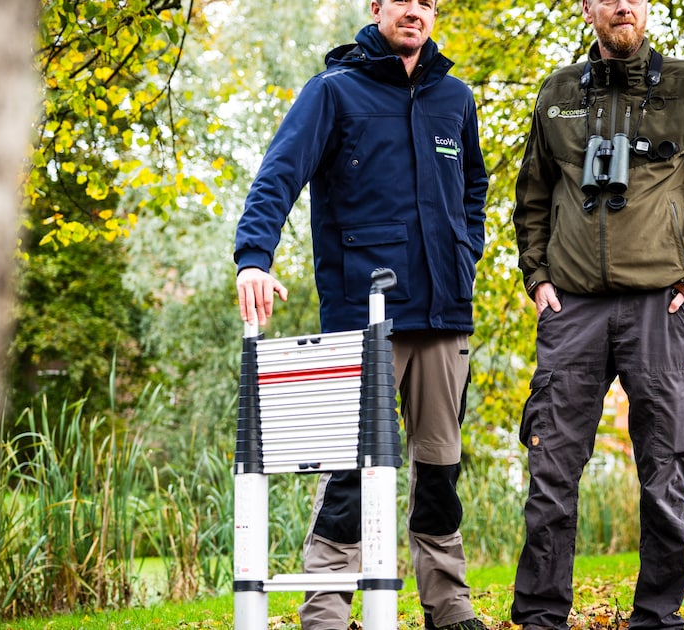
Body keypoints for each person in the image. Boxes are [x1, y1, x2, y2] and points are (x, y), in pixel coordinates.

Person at [232, 0, 489, 628]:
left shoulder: (455, 98)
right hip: (363, 317)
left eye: (428, 3)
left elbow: (474, 192)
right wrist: (253, 258)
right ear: (376, 7)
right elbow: (277, 176)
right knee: (347, 474)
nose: (415, 11)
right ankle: (325, 611)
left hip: (444, 313)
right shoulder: (333, 92)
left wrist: (464, 252)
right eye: (403, 0)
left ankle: (449, 608)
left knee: (440, 470)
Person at [509, 0, 684, 627]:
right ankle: (539, 617)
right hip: (573, 308)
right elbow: (531, 198)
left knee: (664, 473)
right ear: (587, 8)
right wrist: (537, 280)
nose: (622, 6)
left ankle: (657, 618)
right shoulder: (556, 93)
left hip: (660, 307)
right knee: (551, 470)